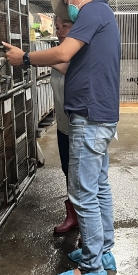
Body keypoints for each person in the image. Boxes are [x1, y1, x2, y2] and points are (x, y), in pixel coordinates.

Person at [3, 0, 121, 275]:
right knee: (98, 187)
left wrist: (24, 58)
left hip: (89, 115)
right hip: (100, 114)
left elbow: (62, 53)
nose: (66, 10)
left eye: (67, 1)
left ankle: (92, 268)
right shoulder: (103, 14)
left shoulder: (92, 11)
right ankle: (103, 252)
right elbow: (74, 62)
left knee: (83, 193)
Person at [50, 16, 77, 234]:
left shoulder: (78, 54)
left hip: (80, 127)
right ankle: (72, 215)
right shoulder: (56, 55)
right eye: (57, 27)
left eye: (65, 26)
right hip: (62, 126)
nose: (60, 31)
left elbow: (69, 69)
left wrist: (31, 57)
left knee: (83, 177)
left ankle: (90, 229)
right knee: (67, 171)